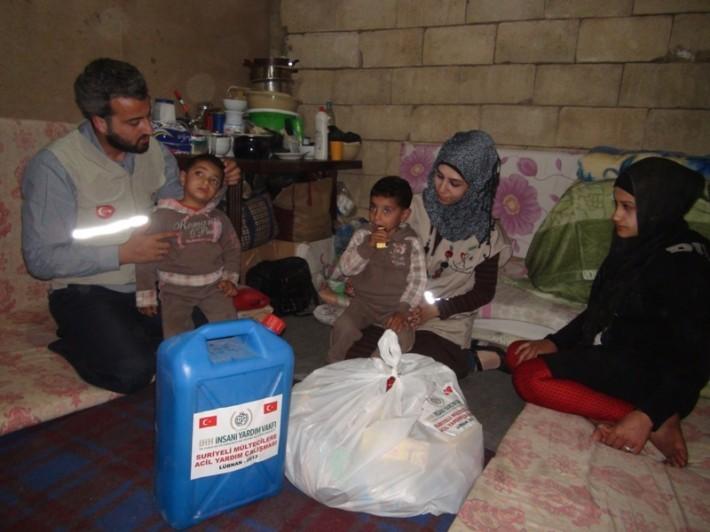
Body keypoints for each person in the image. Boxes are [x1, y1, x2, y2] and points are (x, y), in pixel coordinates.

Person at [21, 58, 241, 394]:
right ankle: (73, 342)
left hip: (152, 286)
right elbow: (40, 260)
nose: (149, 129)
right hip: (86, 291)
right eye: (134, 122)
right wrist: (122, 253)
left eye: (148, 116)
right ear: (100, 122)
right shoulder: (55, 167)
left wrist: (218, 184)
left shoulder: (156, 153)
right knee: (133, 371)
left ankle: (120, 337)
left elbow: (183, 212)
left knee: (211, 340)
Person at [505, 157, 710, 468]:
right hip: (619, 354)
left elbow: (695, 359)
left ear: (659, 207)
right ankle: (630, 410)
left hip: (656, 377)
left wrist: (648, 415)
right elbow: (601, 309)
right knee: (518, 352)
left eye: (628, 207)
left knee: (528, 378)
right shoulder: (643, 243)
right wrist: (554, 342)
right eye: (617, 205)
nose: (616, 216)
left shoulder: (685, 265)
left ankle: (654, 423)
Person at [346, 130, 511, 378]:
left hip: (442, 322)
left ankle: (471, 359)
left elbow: (483, 292)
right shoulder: (408, 208)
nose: (442, 188)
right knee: (355, 363)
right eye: (439, 176)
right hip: (393, 308)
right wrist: (361, 276)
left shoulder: (487, 236)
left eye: (455, 183)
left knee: (409, 371)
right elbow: (379, 246)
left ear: (477, 186)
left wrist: (434, 310)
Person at [136, 154, 240, 338]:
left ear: (218, 190)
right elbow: (146, 258)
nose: (205, 182)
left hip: (214, 286)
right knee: (177, 335)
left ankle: (228, 354)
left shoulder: (218, 218)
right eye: (199, 174)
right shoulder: (162, 217)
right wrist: (146, 295)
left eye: (214, 180)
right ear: (183, 178)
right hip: (175, 289)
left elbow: (232, 248)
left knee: (229, 328)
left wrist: (230, 278)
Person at [327, 176, 426, 362]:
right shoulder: (363, 234)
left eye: (386, 210)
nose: (377, 217)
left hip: (394, 307)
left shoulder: (410, 242)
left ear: (404, 215)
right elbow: (346, 268)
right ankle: (333, 367)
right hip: (363, 303)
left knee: (398, 338)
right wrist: (368, 246)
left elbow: (417, 281)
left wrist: (403, 310)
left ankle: (376, 370)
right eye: (373, 208)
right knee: (343, 326)